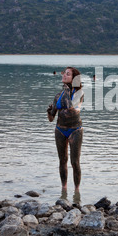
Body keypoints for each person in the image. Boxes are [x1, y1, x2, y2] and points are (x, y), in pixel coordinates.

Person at [47, 67, 84, 197]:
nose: (64, 75)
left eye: (68, 74)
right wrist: (49, 111)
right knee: (62, 160)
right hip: (60, 129)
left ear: (74, 79)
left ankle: (77, 191)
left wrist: (68, 91)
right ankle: (64, 189)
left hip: (75, 130)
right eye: (64, 73)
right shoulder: (58, 95)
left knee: (75, 162)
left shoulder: (79, 94)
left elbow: (73, 110)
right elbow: (52, 118)